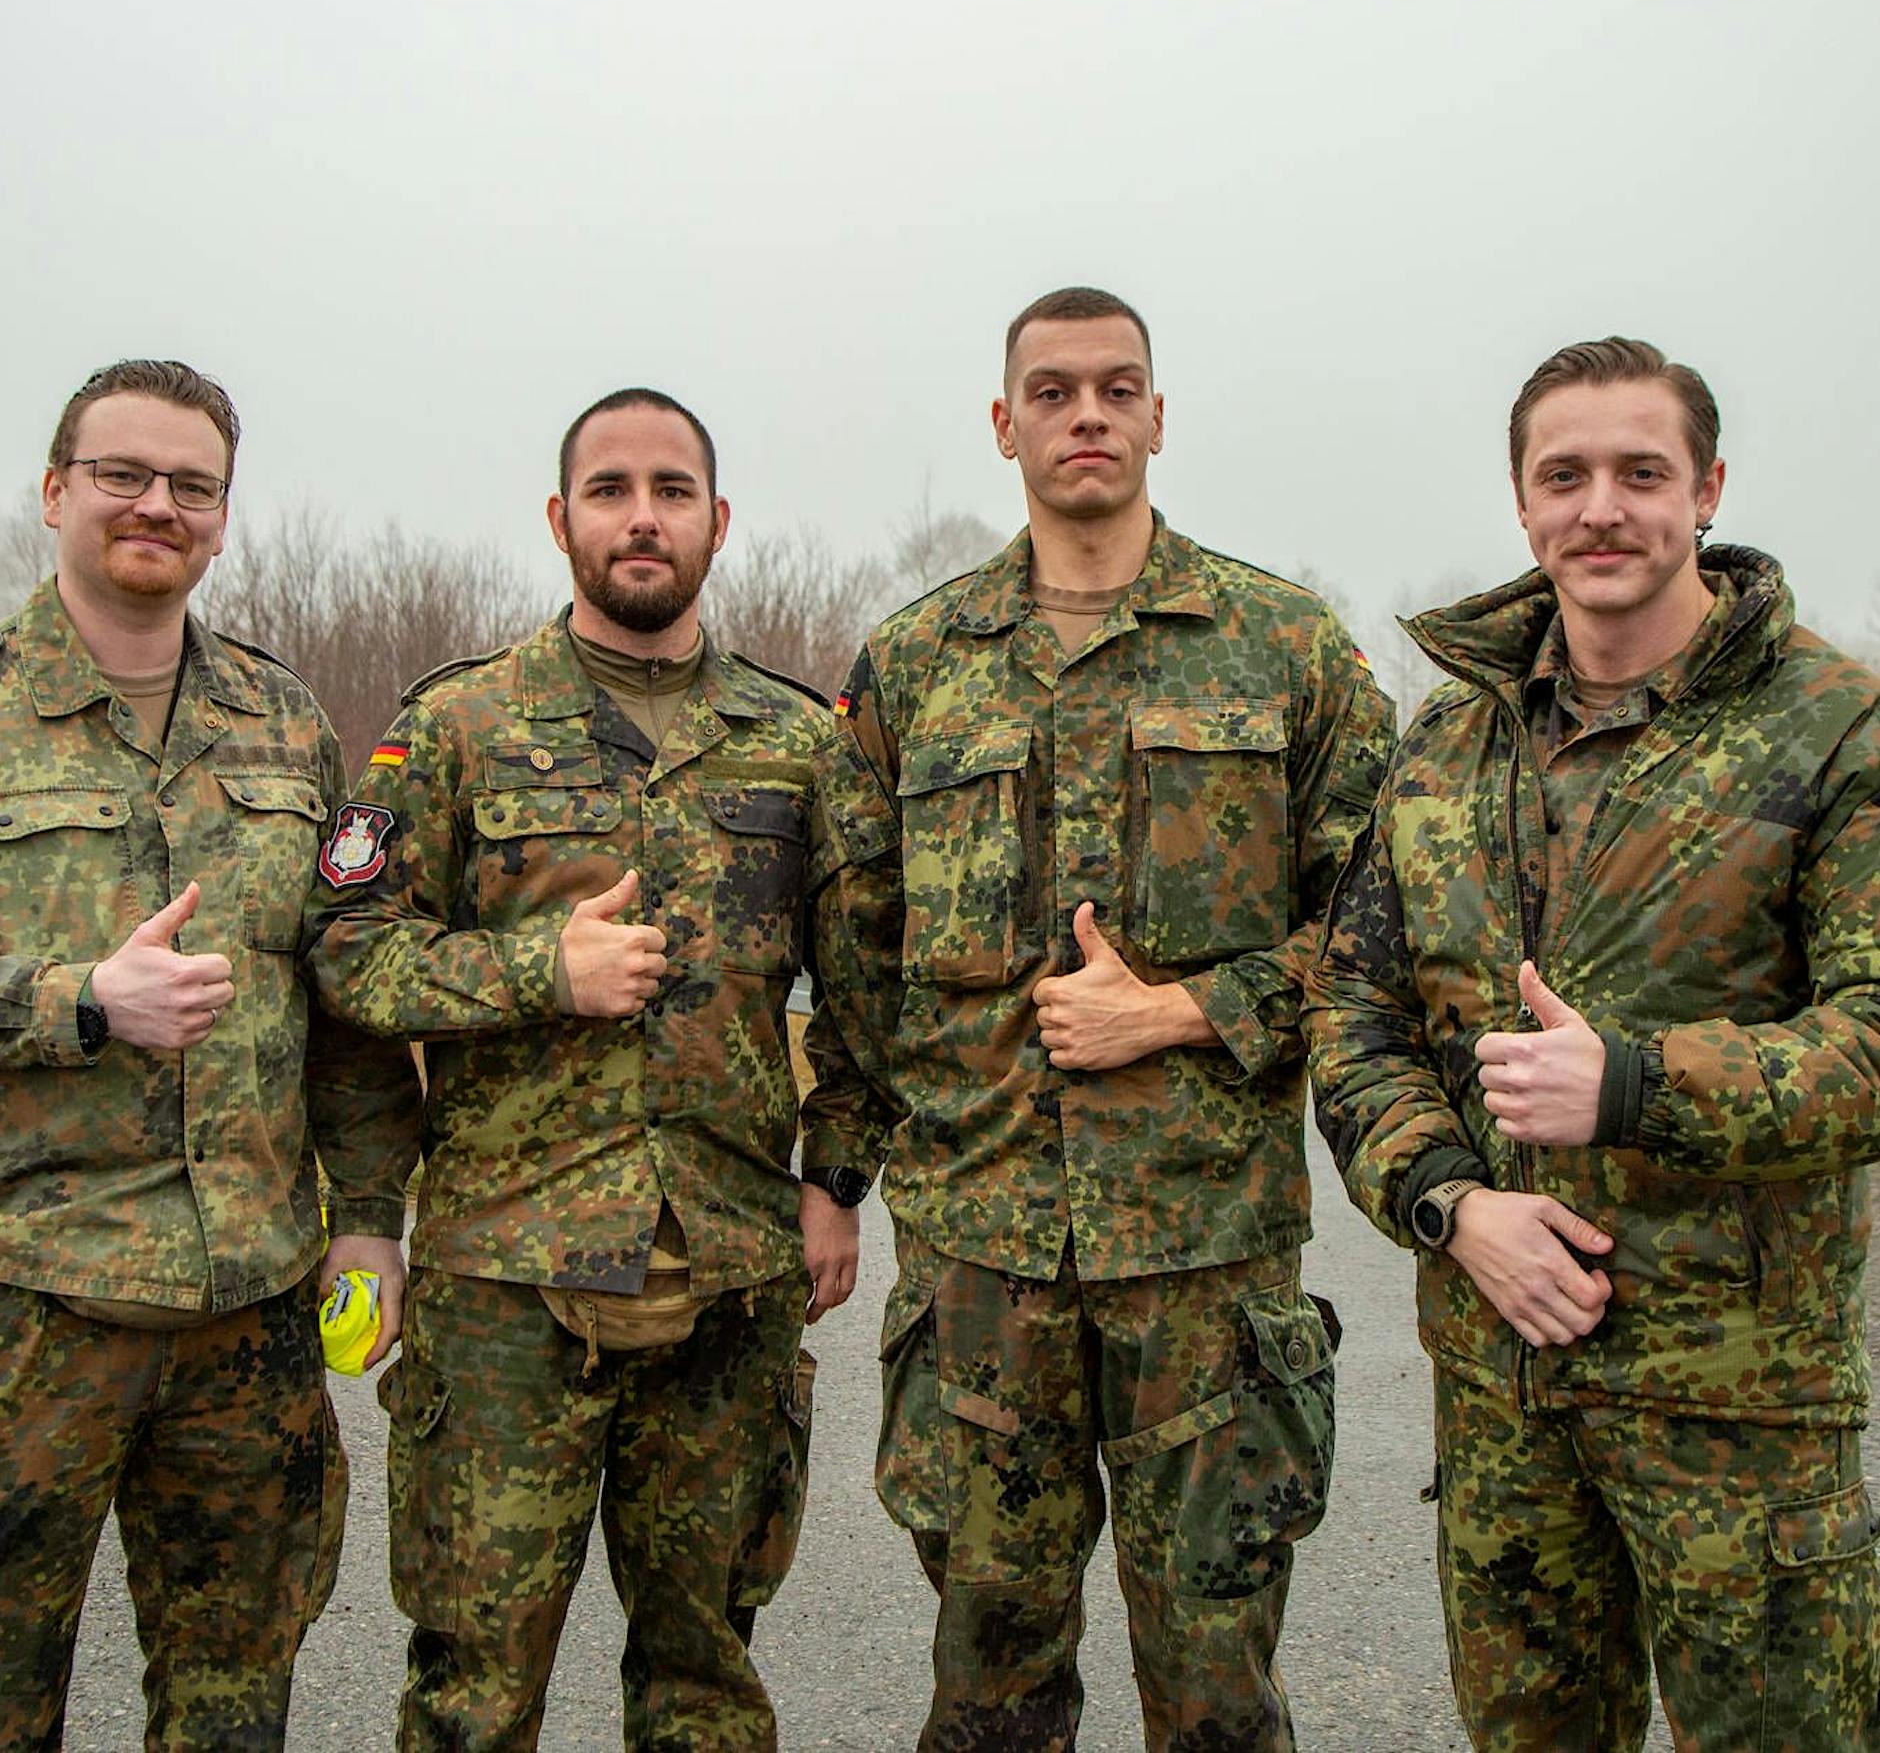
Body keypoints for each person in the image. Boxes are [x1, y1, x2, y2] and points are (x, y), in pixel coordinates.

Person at [822, 287, 1394, 1750]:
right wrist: (841, 1183)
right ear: (1003, 423)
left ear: (1157, 415)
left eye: (1118, 387)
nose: (1088, 413)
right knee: (989, 1691)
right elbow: (858, 957)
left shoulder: (1288, 650)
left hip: (1205, 1263)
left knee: (1216, 1694)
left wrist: (1190, 1011)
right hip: (981, 1264)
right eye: (1055, 389)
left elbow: (1392, 936)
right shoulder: (915, 664)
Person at [1304, 336, 1880, 1750]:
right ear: (1523, 503)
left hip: (1737, 1407)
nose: (1602, 509)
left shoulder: (1832, 727)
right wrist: (1454, 1204)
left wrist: (1636, 1084)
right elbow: (1354, 1012)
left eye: (1642, 472)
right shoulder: (1450, 741)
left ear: (1708, 490)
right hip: (1504, 1389)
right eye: (1565, 476)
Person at [304, 386, 886, 1750]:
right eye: (612, 490)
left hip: (730, 1279)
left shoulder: (798, 742)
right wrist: (530, 974)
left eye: (672, 491)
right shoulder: (457, 726)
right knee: (471, 1696)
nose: (643, 517)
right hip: (506, 1288)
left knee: (705, 1690)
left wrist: (837, 1179)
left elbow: (866, 984)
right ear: (563, 519)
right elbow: (346, 956)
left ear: (717, 522)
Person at [0, 359, 417, 1748]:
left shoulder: (285, 723)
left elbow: (344, 1005)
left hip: (250, 1312)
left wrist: (366, 1223)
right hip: (31, 1303)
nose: (155, 505)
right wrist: (75, 1001)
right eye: (122, 473)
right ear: (57, 491)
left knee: (236, 1705)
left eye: (192, 484)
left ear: (225, 519)